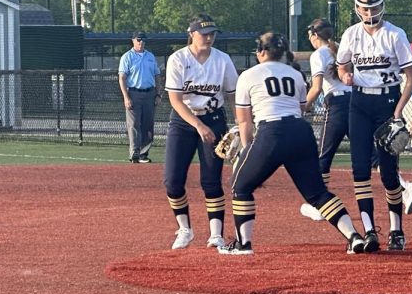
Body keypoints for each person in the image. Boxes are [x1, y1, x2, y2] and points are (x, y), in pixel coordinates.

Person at [222, 31, 365, 255]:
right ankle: (354, 236)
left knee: (240, 186)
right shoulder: (295, 74)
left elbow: (244, 122)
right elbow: (299, 108)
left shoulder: (249, 75)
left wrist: (248, 152)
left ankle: (244, 245)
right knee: (317, 193)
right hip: (300, 131)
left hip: (271, 132)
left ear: (260, 52)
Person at [335, 0, 412, 252]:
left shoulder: (395, 34)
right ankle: (369, 230)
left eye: (374, 7)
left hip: (387, 102)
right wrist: (345, 76)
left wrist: (397, 112)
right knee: (360, 170)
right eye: (365, 8)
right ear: (357, 8)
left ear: (382, 6)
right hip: (359, 103)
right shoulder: (351, 34)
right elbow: (342, 65)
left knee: (388, 173)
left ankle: (396, 230)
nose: (370, 12)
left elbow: (411, 76)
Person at [163, 14, 238, 250]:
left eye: (212, 33)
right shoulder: (178, 59)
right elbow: (175, 100)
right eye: (204, 33)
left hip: (214, 119)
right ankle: (185, 229)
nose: (209, 37)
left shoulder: (222, 60)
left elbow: (233, 94)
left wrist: (239, 125)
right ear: (191, 34)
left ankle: (216, 234)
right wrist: (198, 125)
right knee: (172, 181)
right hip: (184, 122)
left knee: (211, 180)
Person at [118, 31, 161, 163]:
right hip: (134, 93)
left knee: (148, 124)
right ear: (133, 40)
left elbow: (157, 76)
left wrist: (158, 93)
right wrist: (126, 97)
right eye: (138, 39)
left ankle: (144, 154)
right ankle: (134, 153)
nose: (141, 42)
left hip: (150, 93)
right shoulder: (127, 57)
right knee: (134, 124)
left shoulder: (150, 56)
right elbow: (122, 77)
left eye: (143, 40)